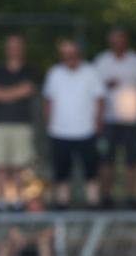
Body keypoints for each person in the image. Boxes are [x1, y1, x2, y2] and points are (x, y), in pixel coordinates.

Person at [42, 40, 105, 208]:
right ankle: (62, 203)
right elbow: (48, 100)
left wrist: (98, 122)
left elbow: (100, 99)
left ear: (78, 54)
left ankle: (93, 203)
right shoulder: (54, 73)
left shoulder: (91, 72)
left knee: (91, 169)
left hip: (87, 130)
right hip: (60, 131)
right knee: (61, 171)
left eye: (73, 53)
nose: (70, 57)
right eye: (66, 54)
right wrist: (49, 123)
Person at [94, 28, 136, 208]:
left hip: (132, 120)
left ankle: (132, 197)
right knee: (106, 160)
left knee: (132, 160)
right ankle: (106, 197)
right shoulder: (101, 62)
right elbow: (93, 89)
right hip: (108, 120)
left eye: (121, 39)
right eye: (115, 40)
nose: (118, 43)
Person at [0, 35, 37, 209]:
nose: (13, 50)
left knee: (19, 166)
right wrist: (15, 93)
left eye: (17, 46)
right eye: (10, 46)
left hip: (21, 124)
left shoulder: (29, 71)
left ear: (22, 49)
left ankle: (18, 202)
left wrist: (3, 94)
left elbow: (27, 90)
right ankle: (1, 202)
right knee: (0, 166)